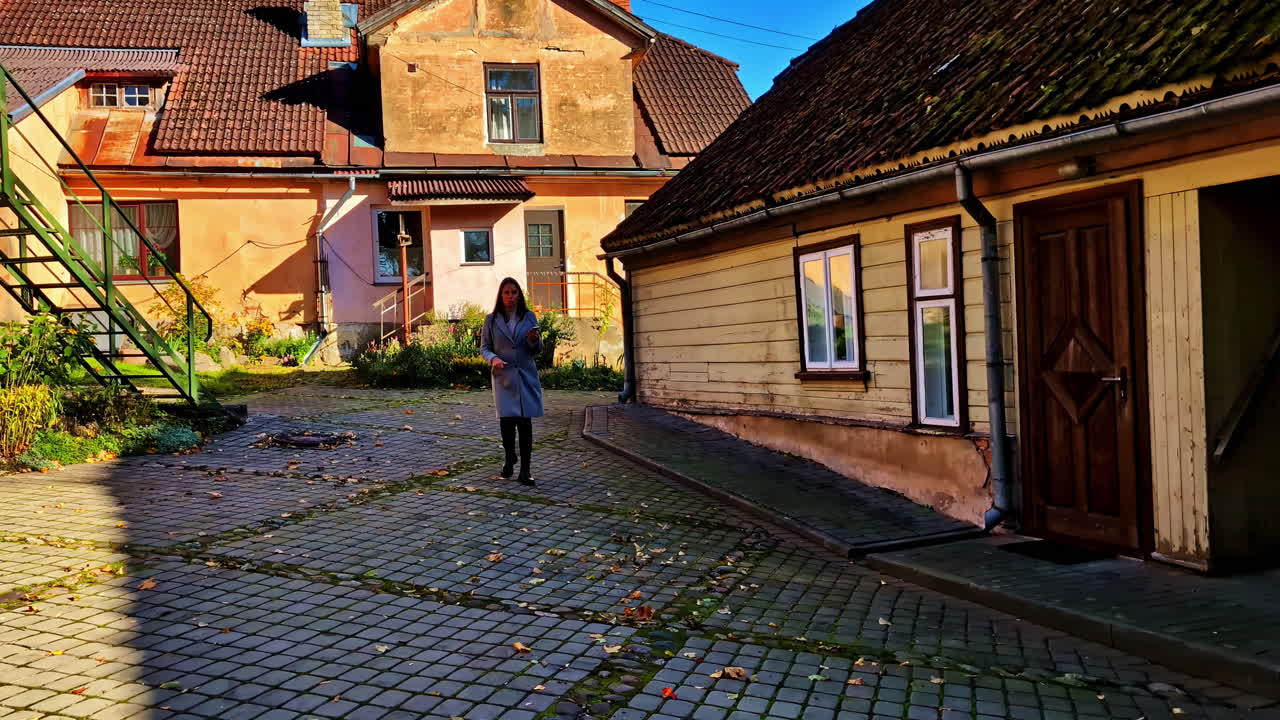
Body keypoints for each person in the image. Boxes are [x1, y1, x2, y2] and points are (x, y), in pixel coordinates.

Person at [480, 277, 544, 486]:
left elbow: (537, 350)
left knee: (525, 424)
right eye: (506, 292)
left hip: (525, 376)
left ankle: (525, 471)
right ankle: (510, 457)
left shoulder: (529, 317)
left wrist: (534, 340)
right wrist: (493, 358)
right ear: (500, 295)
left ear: (519, 295)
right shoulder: (491, 320)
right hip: (503, 377)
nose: (510, 296)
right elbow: (485, 348)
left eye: (514, 292)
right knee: (507, 423)